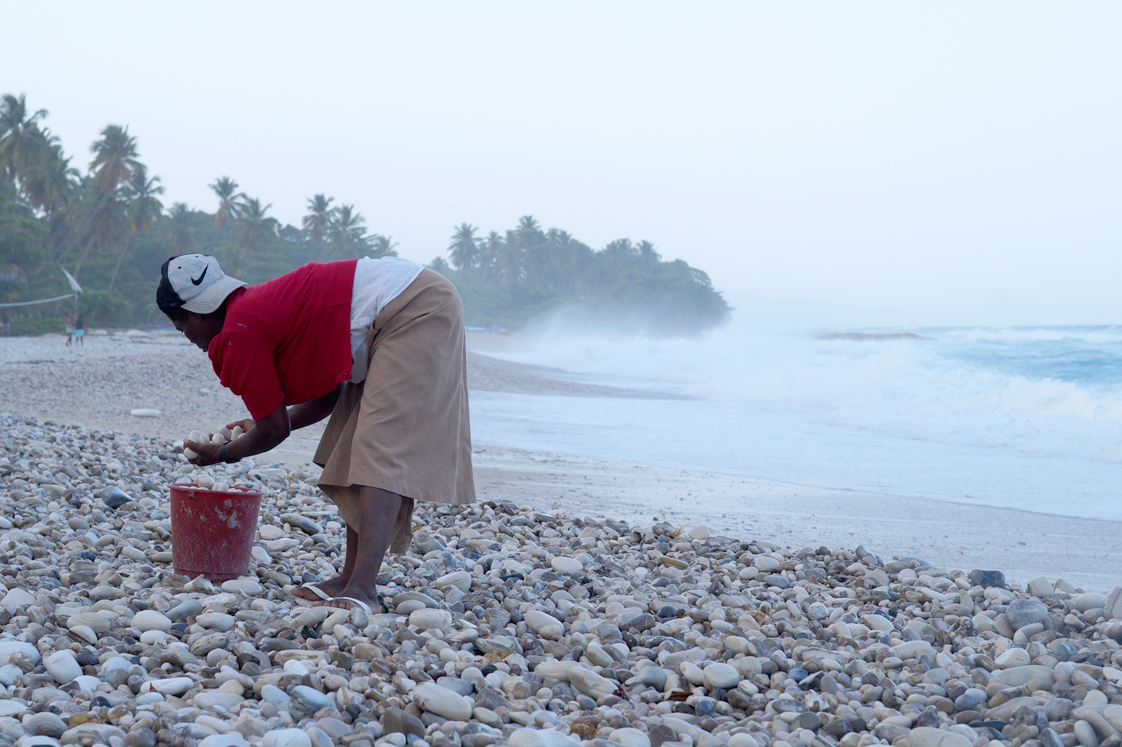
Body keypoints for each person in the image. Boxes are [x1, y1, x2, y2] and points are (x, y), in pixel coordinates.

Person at [156, 253, 475, 612]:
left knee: (377, 450)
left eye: (183, 328)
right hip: (395, 310)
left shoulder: (238, 332)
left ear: (196, 314)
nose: (189, 339)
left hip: (414, 307)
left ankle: (363, 588)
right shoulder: (252, 310)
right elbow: (328, 395)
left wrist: (224, 453)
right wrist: (260, 423)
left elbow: (274, 431)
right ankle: (349, 578)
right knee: (352, 445)